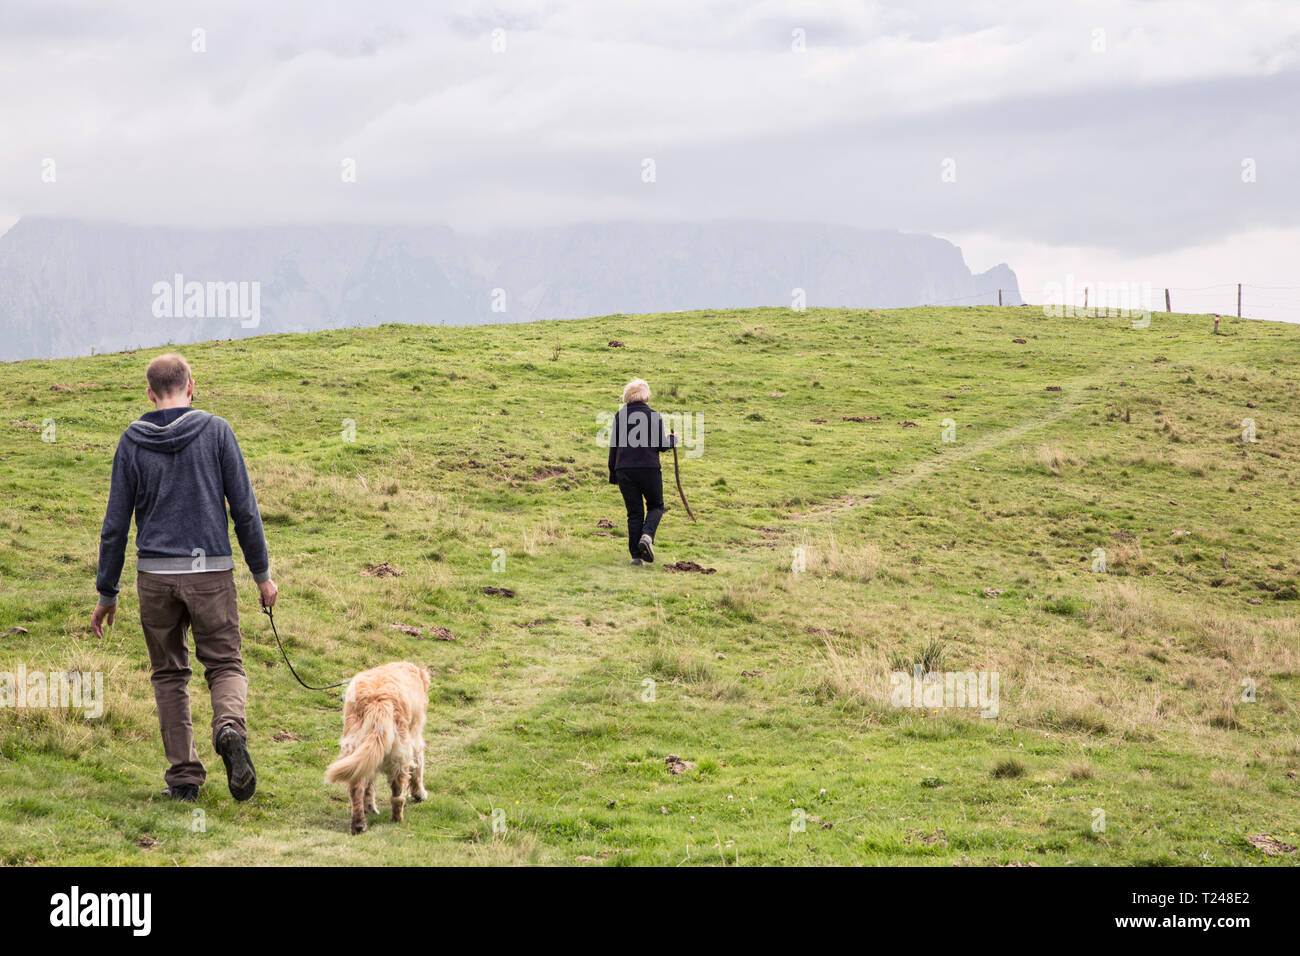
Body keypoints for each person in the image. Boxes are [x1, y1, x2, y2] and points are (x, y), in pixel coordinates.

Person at [91, 353, 277, 803]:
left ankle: (184, 779)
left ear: (150, 394)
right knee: (225, 665)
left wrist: (107, 592)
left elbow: (115, 525)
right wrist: (262, 576)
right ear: (191, 386)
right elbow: (245, 511)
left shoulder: (131, 442)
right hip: (211, 572)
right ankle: (229, 729)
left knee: (170, 675)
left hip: (154, 576)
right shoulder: (217, 432)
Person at [607, 377, 677, 565]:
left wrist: (613, 473)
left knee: (634, 512)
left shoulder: (619, 416)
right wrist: (673, 440)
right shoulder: (653, 416)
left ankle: (636, 557)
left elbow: (613, 446)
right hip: (648, 469)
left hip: (624, 470)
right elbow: (661, 445)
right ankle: (647, 536)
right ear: (645, 395)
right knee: (656, 506)